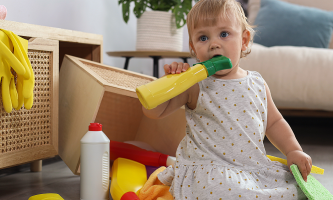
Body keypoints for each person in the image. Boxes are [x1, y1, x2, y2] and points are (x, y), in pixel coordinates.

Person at [142, 0, 312, 199]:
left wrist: (293, 150)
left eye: (224, 34)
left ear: (244, 40)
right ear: (193, 48)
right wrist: (172, 81)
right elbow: (153, 111)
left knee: (299, 190)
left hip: (250, 168)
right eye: (203, 37)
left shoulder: (257, 83)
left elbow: (274, 122)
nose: (214, 44)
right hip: (210, 172)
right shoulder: (195, 85)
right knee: (223, 190)